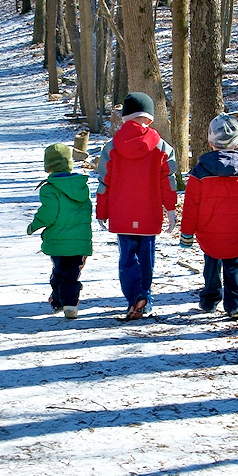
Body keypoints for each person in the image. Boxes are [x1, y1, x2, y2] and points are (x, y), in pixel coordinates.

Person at [96, 92, 178, 320]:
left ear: (124, 119)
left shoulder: (111, 147)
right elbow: (168, 182)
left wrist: (101, 211)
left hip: (121, 215)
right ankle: (145, 298)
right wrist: (170, 210)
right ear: (150, 119)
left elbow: (104, 183)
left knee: (127, 258)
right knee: (146, 257)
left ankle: (135, 296)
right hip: (149, 214)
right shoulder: (162, 147)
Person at [179, 113, 238, 320]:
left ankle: (209, 299)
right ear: (237, 141)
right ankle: (235, 305)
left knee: (211, 265)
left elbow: (191, 206)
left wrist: (187, 234)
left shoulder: (200, 172)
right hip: (237, 229)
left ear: (210, 141)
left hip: (209, 230)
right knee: (234, 268)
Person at [27, 143, 93, 319]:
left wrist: (34, 225)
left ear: (48, 166)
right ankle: (70, 304)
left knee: (59, 271)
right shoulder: (81, 186)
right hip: (79, 241)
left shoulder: (50, 188)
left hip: (58, 240)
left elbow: (48, 214)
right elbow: (86, 211)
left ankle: (57, 301)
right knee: (71, 274)